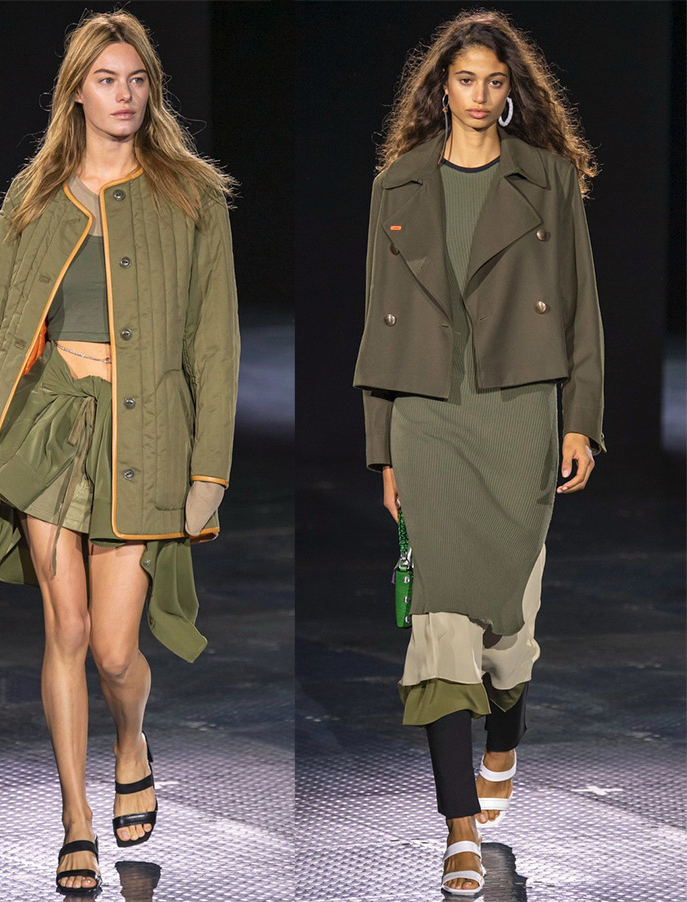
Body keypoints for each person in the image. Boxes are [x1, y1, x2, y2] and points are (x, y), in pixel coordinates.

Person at [0, 9, 239, 895]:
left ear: (151, 91)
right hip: (51, 428)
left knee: (117, 652)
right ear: (76, 93)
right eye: (105, 80)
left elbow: (216, 342)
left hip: (147, 436)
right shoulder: (34, 198)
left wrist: (210, 468)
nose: (124, 96)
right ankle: (75, 820)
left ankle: (131, 742)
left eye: (137, 80)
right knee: (68, 629)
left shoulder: (191, 197)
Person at [353, 9, 605, 896]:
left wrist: (579, 421)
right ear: (441, 88)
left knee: (509, 633)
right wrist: (384, 449)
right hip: (429, 418)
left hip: (518, 414)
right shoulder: (399, 184)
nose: (479, 94)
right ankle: (458, 828)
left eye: (495, 81)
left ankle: (504, 738)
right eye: (465, 79)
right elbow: (380, 323)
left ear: (511, 91)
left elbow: (581, 309)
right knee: (439, 630)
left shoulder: (547, 180)